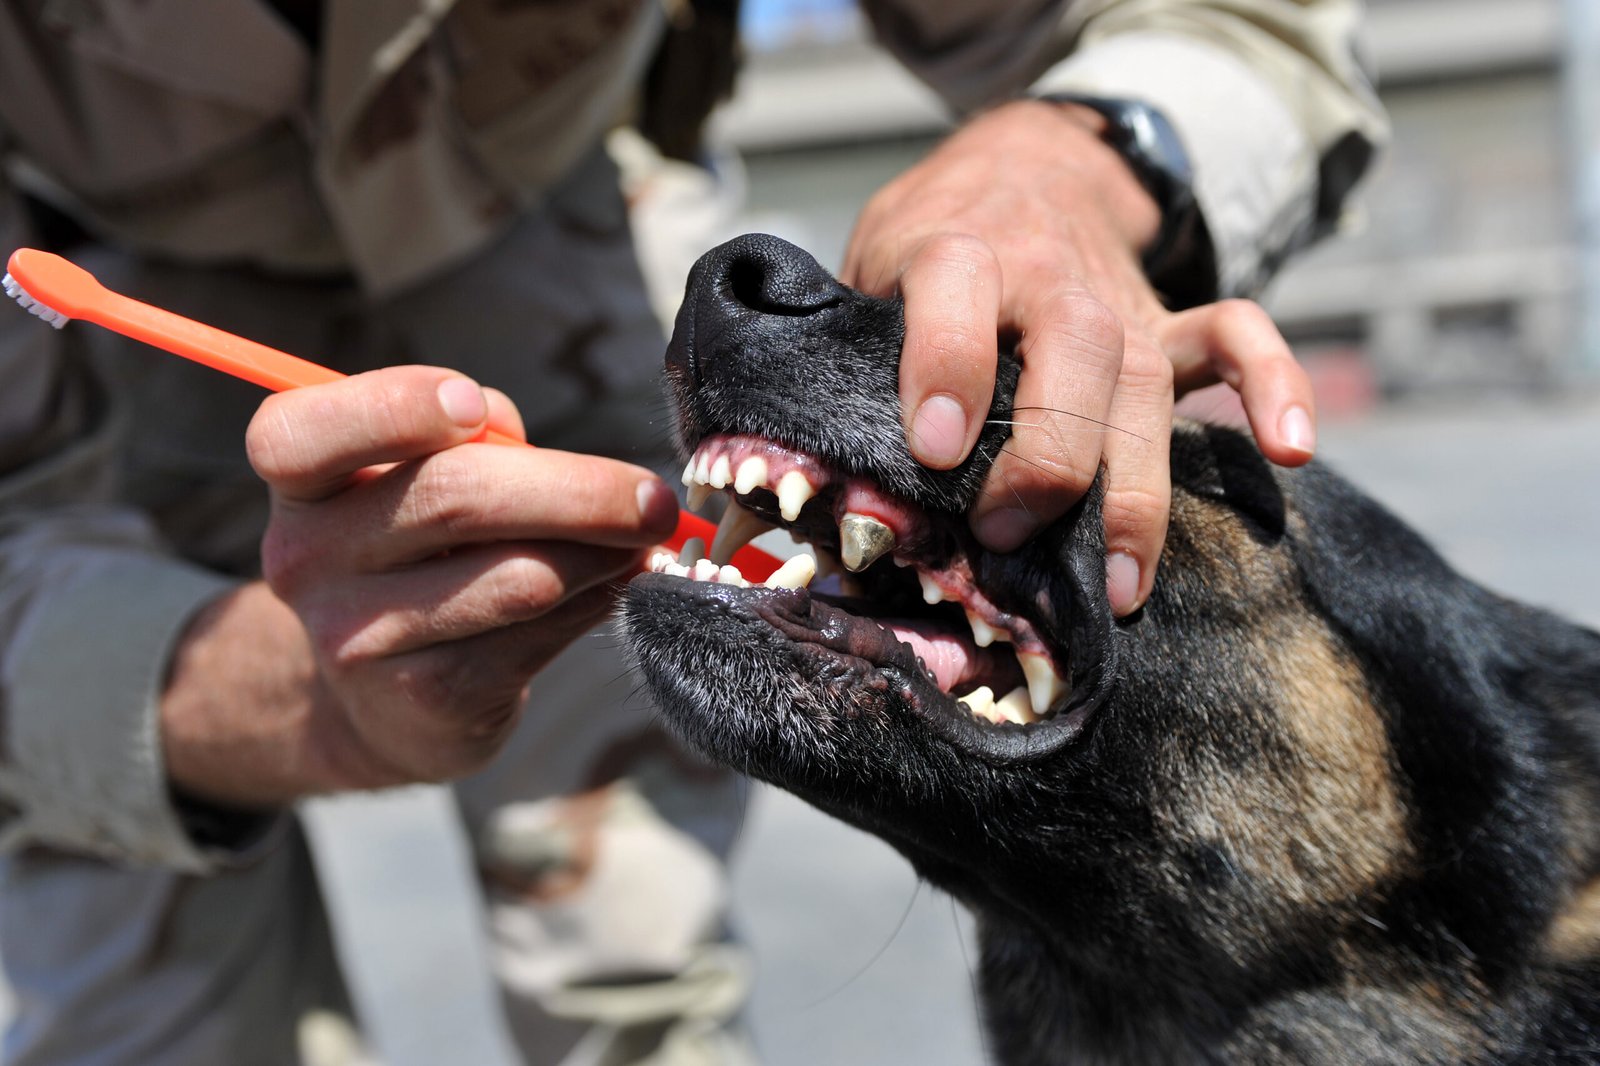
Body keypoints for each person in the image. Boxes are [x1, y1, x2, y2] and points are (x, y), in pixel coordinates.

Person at [0, 0, 1385, 1063]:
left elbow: (1243, 27)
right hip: (83, 346)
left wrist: (1083, 156)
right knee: (135, 1010)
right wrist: (264, 705)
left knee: (629, 960)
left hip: (565, 235)